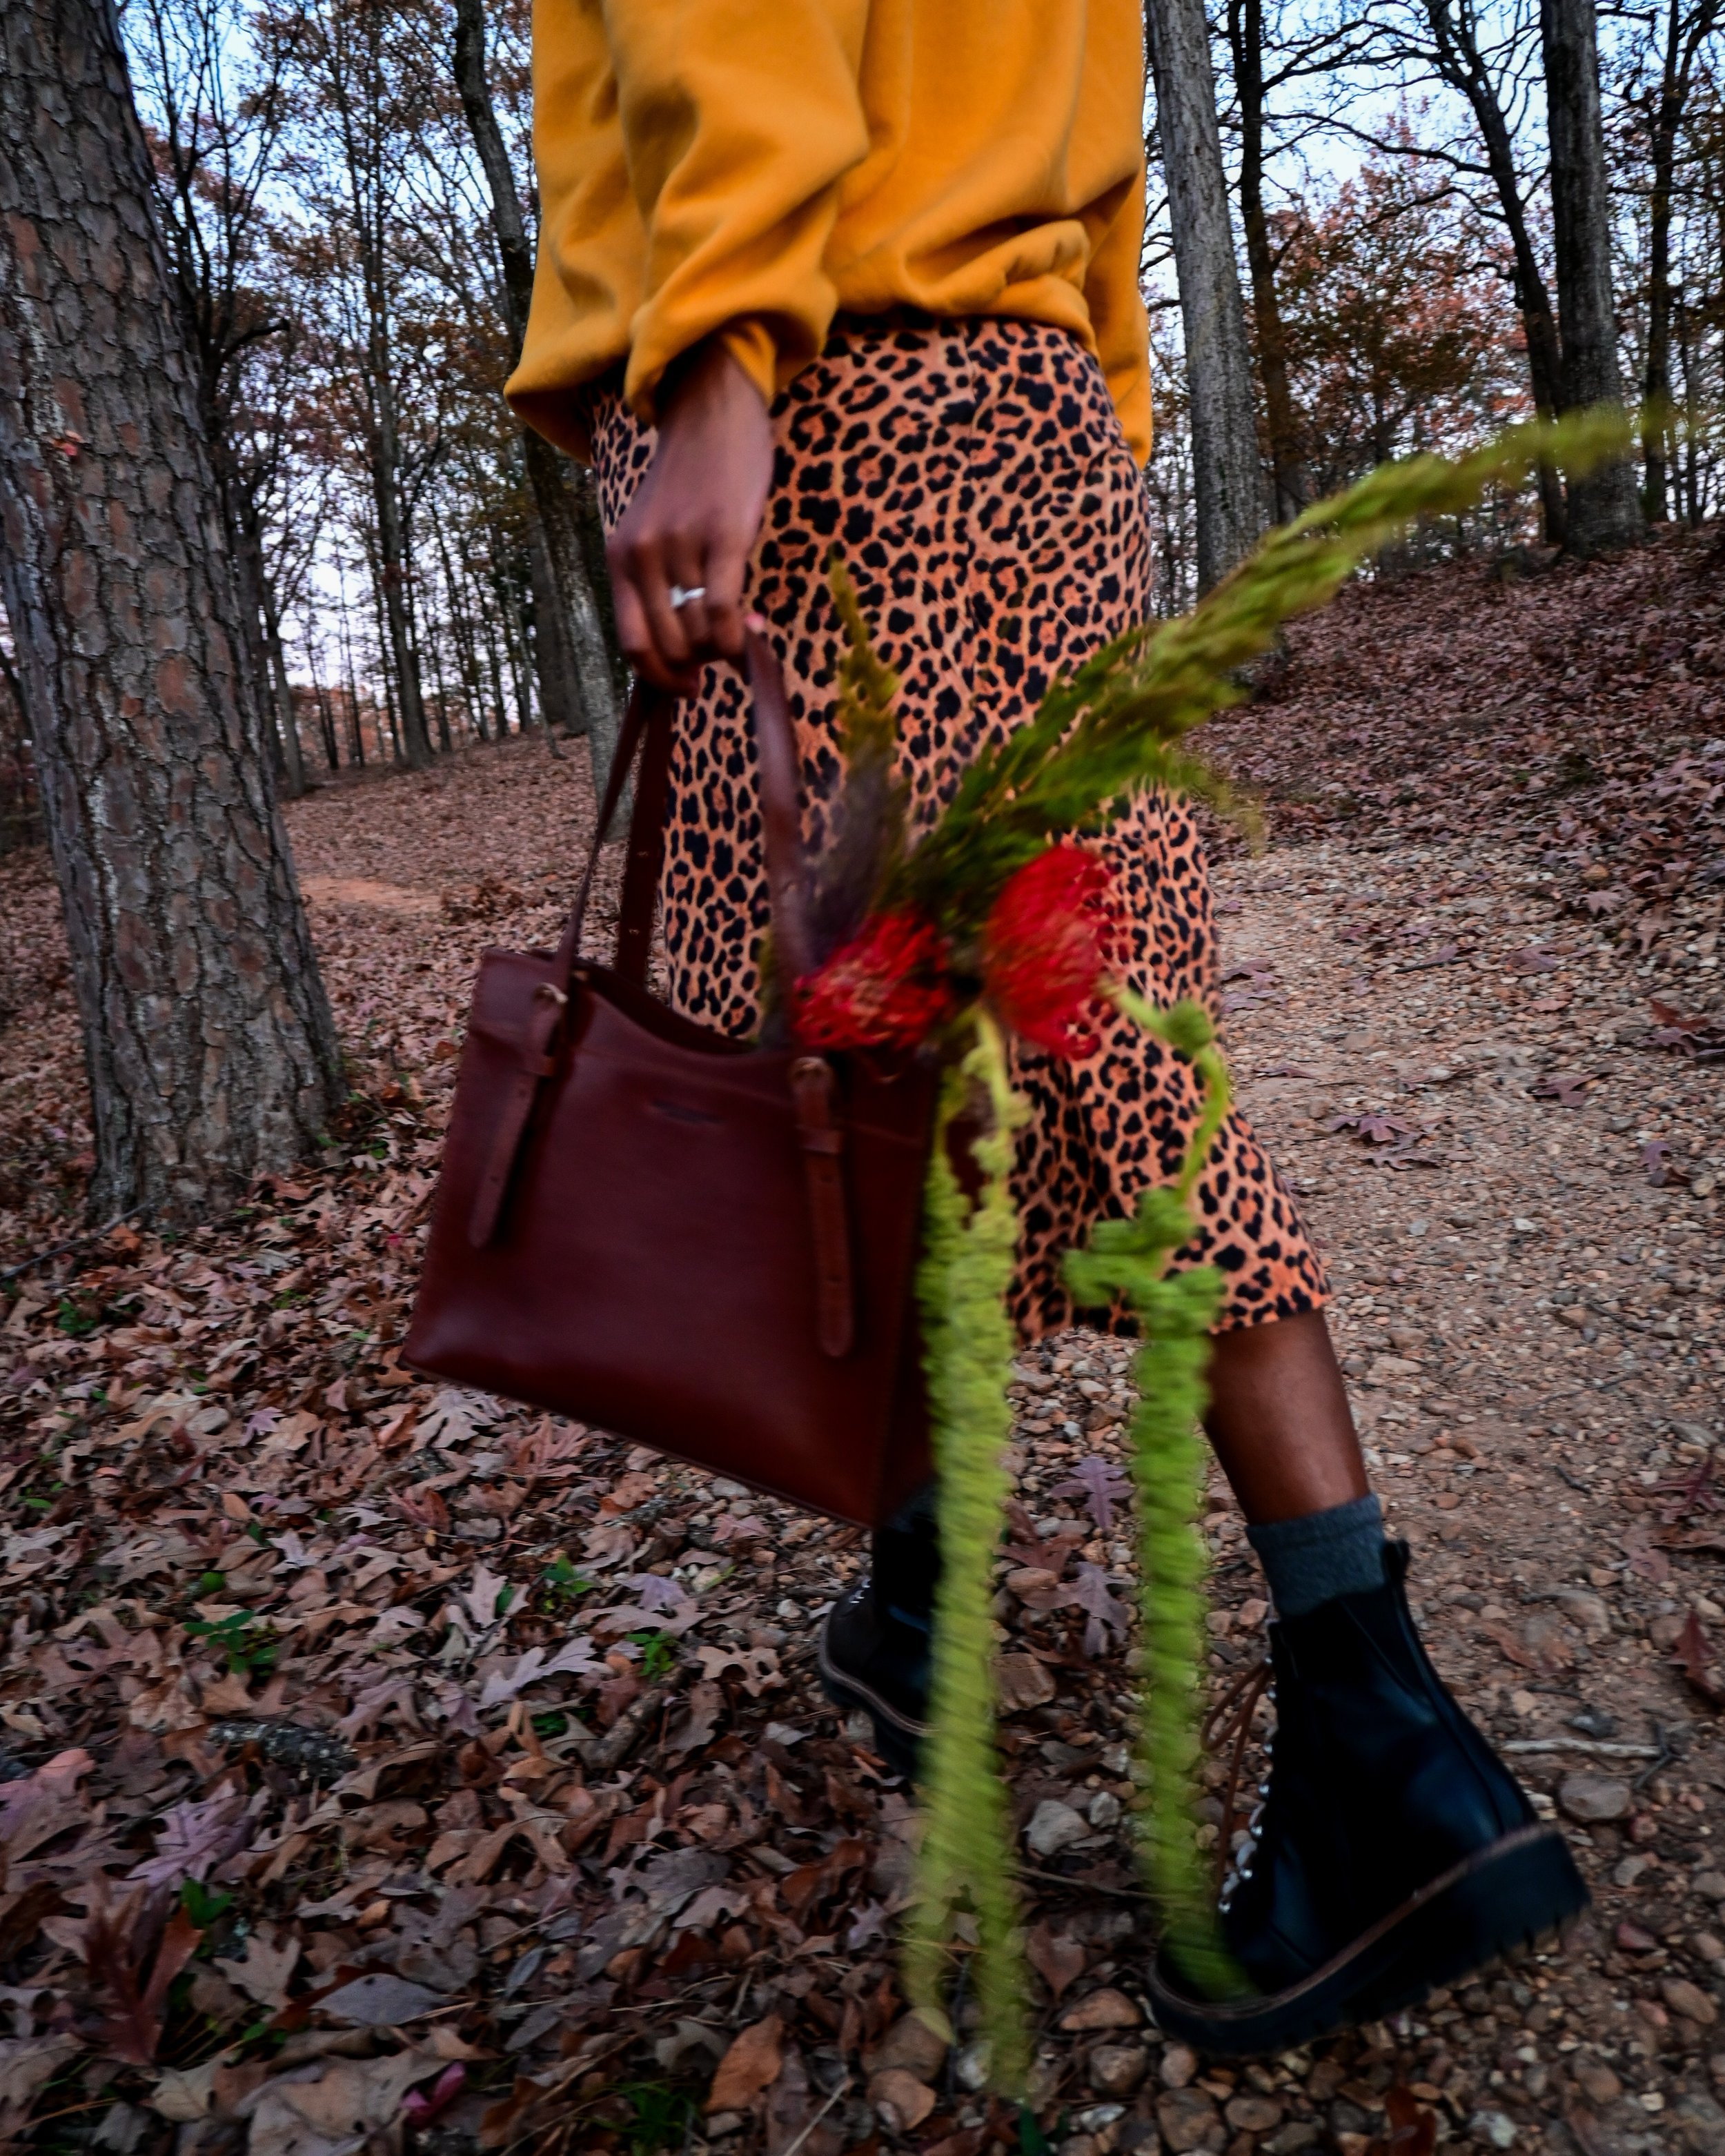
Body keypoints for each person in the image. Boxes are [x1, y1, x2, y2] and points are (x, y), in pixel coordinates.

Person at [507, 0, 1586, 2054]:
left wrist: (721, 358)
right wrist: (1072, 413)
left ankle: (1381, 1747)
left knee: (973, 1063)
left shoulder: (774, 360)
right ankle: (928, 1600)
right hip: (1020, 416)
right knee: (915, 1069)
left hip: (828, 401)